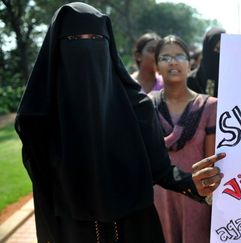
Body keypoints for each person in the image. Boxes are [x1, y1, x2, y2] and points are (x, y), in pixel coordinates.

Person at [14, 3, 224, 242]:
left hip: (135, 230)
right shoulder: (42, 121)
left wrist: (191, 183)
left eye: (96, 39)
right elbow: (44, 187)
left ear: (108, 46)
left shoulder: (136, 107)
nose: (87, 48)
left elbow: (162, 171)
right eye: (74, 39)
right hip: (74, 232)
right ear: (57, 49)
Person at [149, 35, 217, 243]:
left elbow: (211, 162)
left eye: (179, 56)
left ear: (190, 64)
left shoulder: (210, 106)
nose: (173, 62)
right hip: (157, 200)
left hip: (197, 200)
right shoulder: (146, 105)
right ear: (157, 67)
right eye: (165, 57)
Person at [187, 27, 225, 97]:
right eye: (217, 49)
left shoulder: (232, 82)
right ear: (207, 49)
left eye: (224, 49)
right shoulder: (190, 81)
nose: (220, 54)